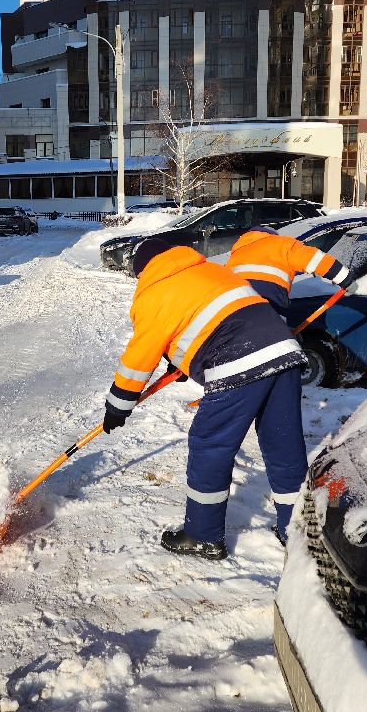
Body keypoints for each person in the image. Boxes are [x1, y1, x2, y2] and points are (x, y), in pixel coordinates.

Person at [102, 237, 309, 559]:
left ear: (144, 270)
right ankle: (295, 531)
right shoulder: (212, 271)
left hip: (239, 363)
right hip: (285, 353)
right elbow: (207, 320)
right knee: (284, 445)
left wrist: (118, 405)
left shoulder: (154, 293)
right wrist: (182, 359)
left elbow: (139, 357)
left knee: (210, 444)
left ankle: (203, 535)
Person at [226, 227, 354, 316]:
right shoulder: (282, 244)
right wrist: (345, 278)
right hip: (269, 305)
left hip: (233, 307)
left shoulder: (237, 253)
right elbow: (315, 259)